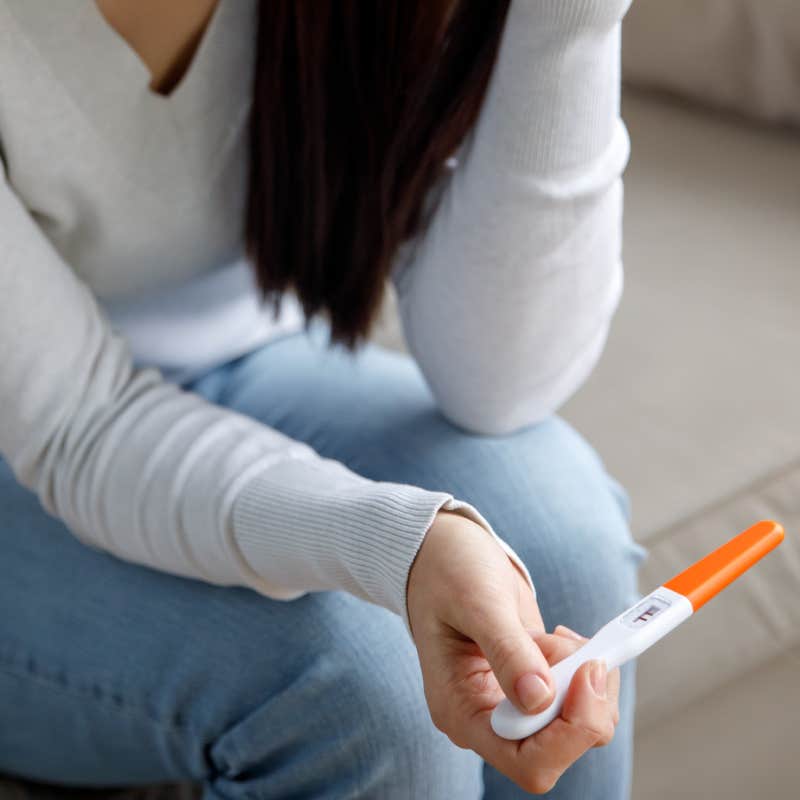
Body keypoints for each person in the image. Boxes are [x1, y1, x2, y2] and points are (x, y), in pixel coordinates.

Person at [0, 0, 644, 797]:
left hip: (240, 355)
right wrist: (397, 545)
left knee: (560, 535)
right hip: (32, 431)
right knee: (367, 691)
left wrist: (571, 18)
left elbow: (497, 384)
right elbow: (80, 424)